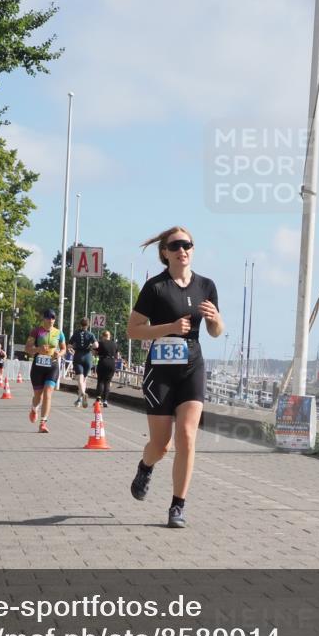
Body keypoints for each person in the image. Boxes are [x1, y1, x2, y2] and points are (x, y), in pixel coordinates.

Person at [126, 226, 223, 528]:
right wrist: (168, 328)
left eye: (188, 245)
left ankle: (177, 507)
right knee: (161, 445)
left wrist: (217, 320)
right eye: (176, 245)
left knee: (187, 436)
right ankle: (146, 466)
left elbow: (215, 332)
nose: (183, 250)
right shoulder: (155, 288)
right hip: (161, 370)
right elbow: (133, 329)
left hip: (192, 366)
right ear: (165, 253)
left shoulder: (206, 286)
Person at [25, 309, 66, 433]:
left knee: (48, 393)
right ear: (44, 319)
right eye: (48, 317)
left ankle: (43, 423)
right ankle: (34, 408)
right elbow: (27, 348)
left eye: (53, 318)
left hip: (52, 366)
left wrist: (59, 354)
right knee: (38, 396)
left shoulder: (59, 333)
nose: (51, 320)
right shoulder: (36, 331)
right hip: (38, 366)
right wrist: (38, 349)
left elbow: (64, 349)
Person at [68, 317, 98, 408]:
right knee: (84, 380)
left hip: (78, 357)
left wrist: (72, 351)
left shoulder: (76, 334)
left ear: (80, 324)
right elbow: (96, 345)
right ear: (88, 325)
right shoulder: (91, 334)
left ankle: (83, 395)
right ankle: (79, 399)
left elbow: (69, 345)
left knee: (80, 380)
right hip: (88, 357)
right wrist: (91, 346)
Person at [94, 330, 119, 408]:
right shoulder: (115, 344)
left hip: (103, 361)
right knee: (107, 382)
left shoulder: (100, 343)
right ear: (109, 336)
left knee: (100, 381)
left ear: (103, 336)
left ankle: (98, 400)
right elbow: (117, 356)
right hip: (111, 363)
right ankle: (105, 401)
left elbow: (95, 353)